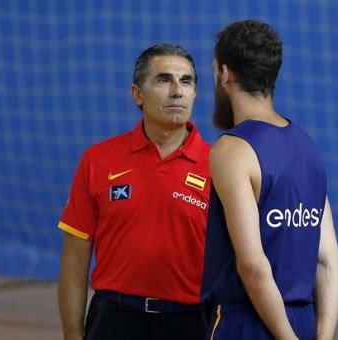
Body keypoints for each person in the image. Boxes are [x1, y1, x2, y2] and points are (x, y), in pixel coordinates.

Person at [57, 43, 211, 340]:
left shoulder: (219, 164)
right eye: (164, 80)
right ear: (137, 94)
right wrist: (73, 335)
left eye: (186, 81)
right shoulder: (98, 160)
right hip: (115, 320)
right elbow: (75, 261)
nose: (177, 91)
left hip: (193, 323)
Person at [201, 19, 338, 340]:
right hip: (303, 321)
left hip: (248, 321)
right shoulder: (307, 147)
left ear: (226, 74)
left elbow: (252, 266)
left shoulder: (232, 149)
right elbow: (328, 261)